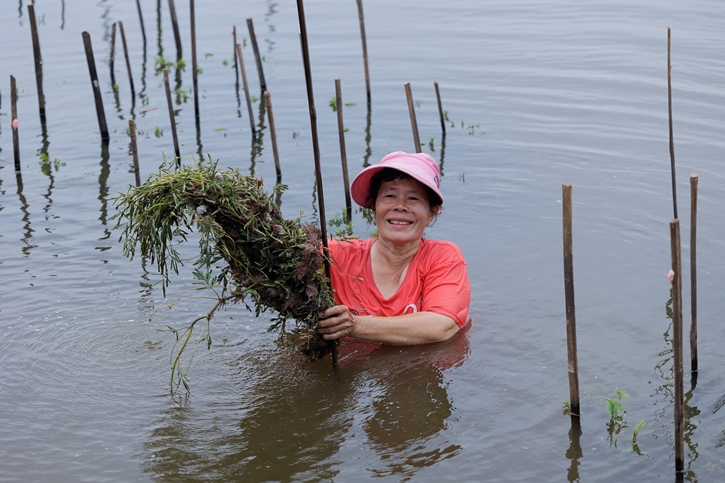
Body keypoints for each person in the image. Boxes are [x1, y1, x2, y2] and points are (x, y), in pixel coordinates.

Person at [316, 151, 471, 346]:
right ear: (374, 207)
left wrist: (356, 326)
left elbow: (441, 326)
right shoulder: (335, 255)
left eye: (413, 199)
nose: (400, 206)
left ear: (431, 213)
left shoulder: (443, 256)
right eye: (390, 195)